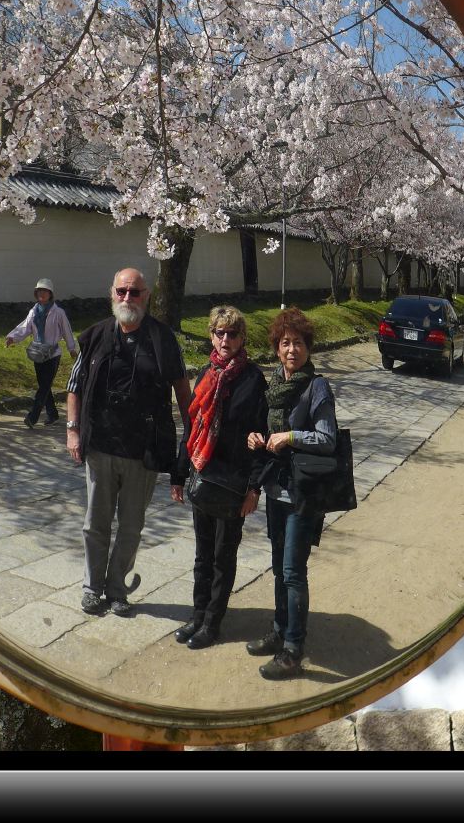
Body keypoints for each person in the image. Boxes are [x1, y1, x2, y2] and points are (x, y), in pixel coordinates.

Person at [65, 268, 192, 617]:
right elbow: (74, 386)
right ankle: (92, 588)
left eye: (134, 293)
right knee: (95, 523)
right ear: (111, 294)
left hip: (143, 450)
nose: (127, 299)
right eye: (121, 291)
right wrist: (72, 430)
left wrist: (191, 436)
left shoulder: (163, 339)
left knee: (132, 525)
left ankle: (117, 588)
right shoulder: (94, 336)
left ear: (147, 296)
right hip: (100, 446)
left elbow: (183, 390)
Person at [246, 307, 337, 680]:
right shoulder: (274, 387)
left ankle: (293, 648)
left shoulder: (317, 387)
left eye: (298, 343)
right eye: (285, 343)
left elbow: (328, 439)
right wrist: (256, 437)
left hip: (302, 494)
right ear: (276, 348)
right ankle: (280, 630)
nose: (291, 350)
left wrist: (292, 437)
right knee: (277, 568)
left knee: (293, 571)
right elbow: (265, 430)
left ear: (308, 348)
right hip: (275, 489)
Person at [170, 306, 268, 649]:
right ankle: (197, 616)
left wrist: (254, 487)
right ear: (212, 335)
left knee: (223, 557)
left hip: (233, 482)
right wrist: (179, 474)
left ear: (242, 340)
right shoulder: (207, 375)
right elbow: (192, 426)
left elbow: (261, 435)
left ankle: (212, 623)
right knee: (202, 554)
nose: (226, 339)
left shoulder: (253, 379)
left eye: (233, 334)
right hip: (203, 474)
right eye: (220, 333)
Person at [5, 278, 78, 429]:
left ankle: (33, 417)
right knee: (44, 385)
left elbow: (67, 330)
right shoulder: (34, 311)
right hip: (38, 353)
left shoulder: (58, 312)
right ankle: (53, 415)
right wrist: (13, 337)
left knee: (44, 386)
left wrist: (72, 348)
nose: (42, 293)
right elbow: (25, 327)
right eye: (39, 291)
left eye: (45, 291)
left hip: (53, 354)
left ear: (50, 294)